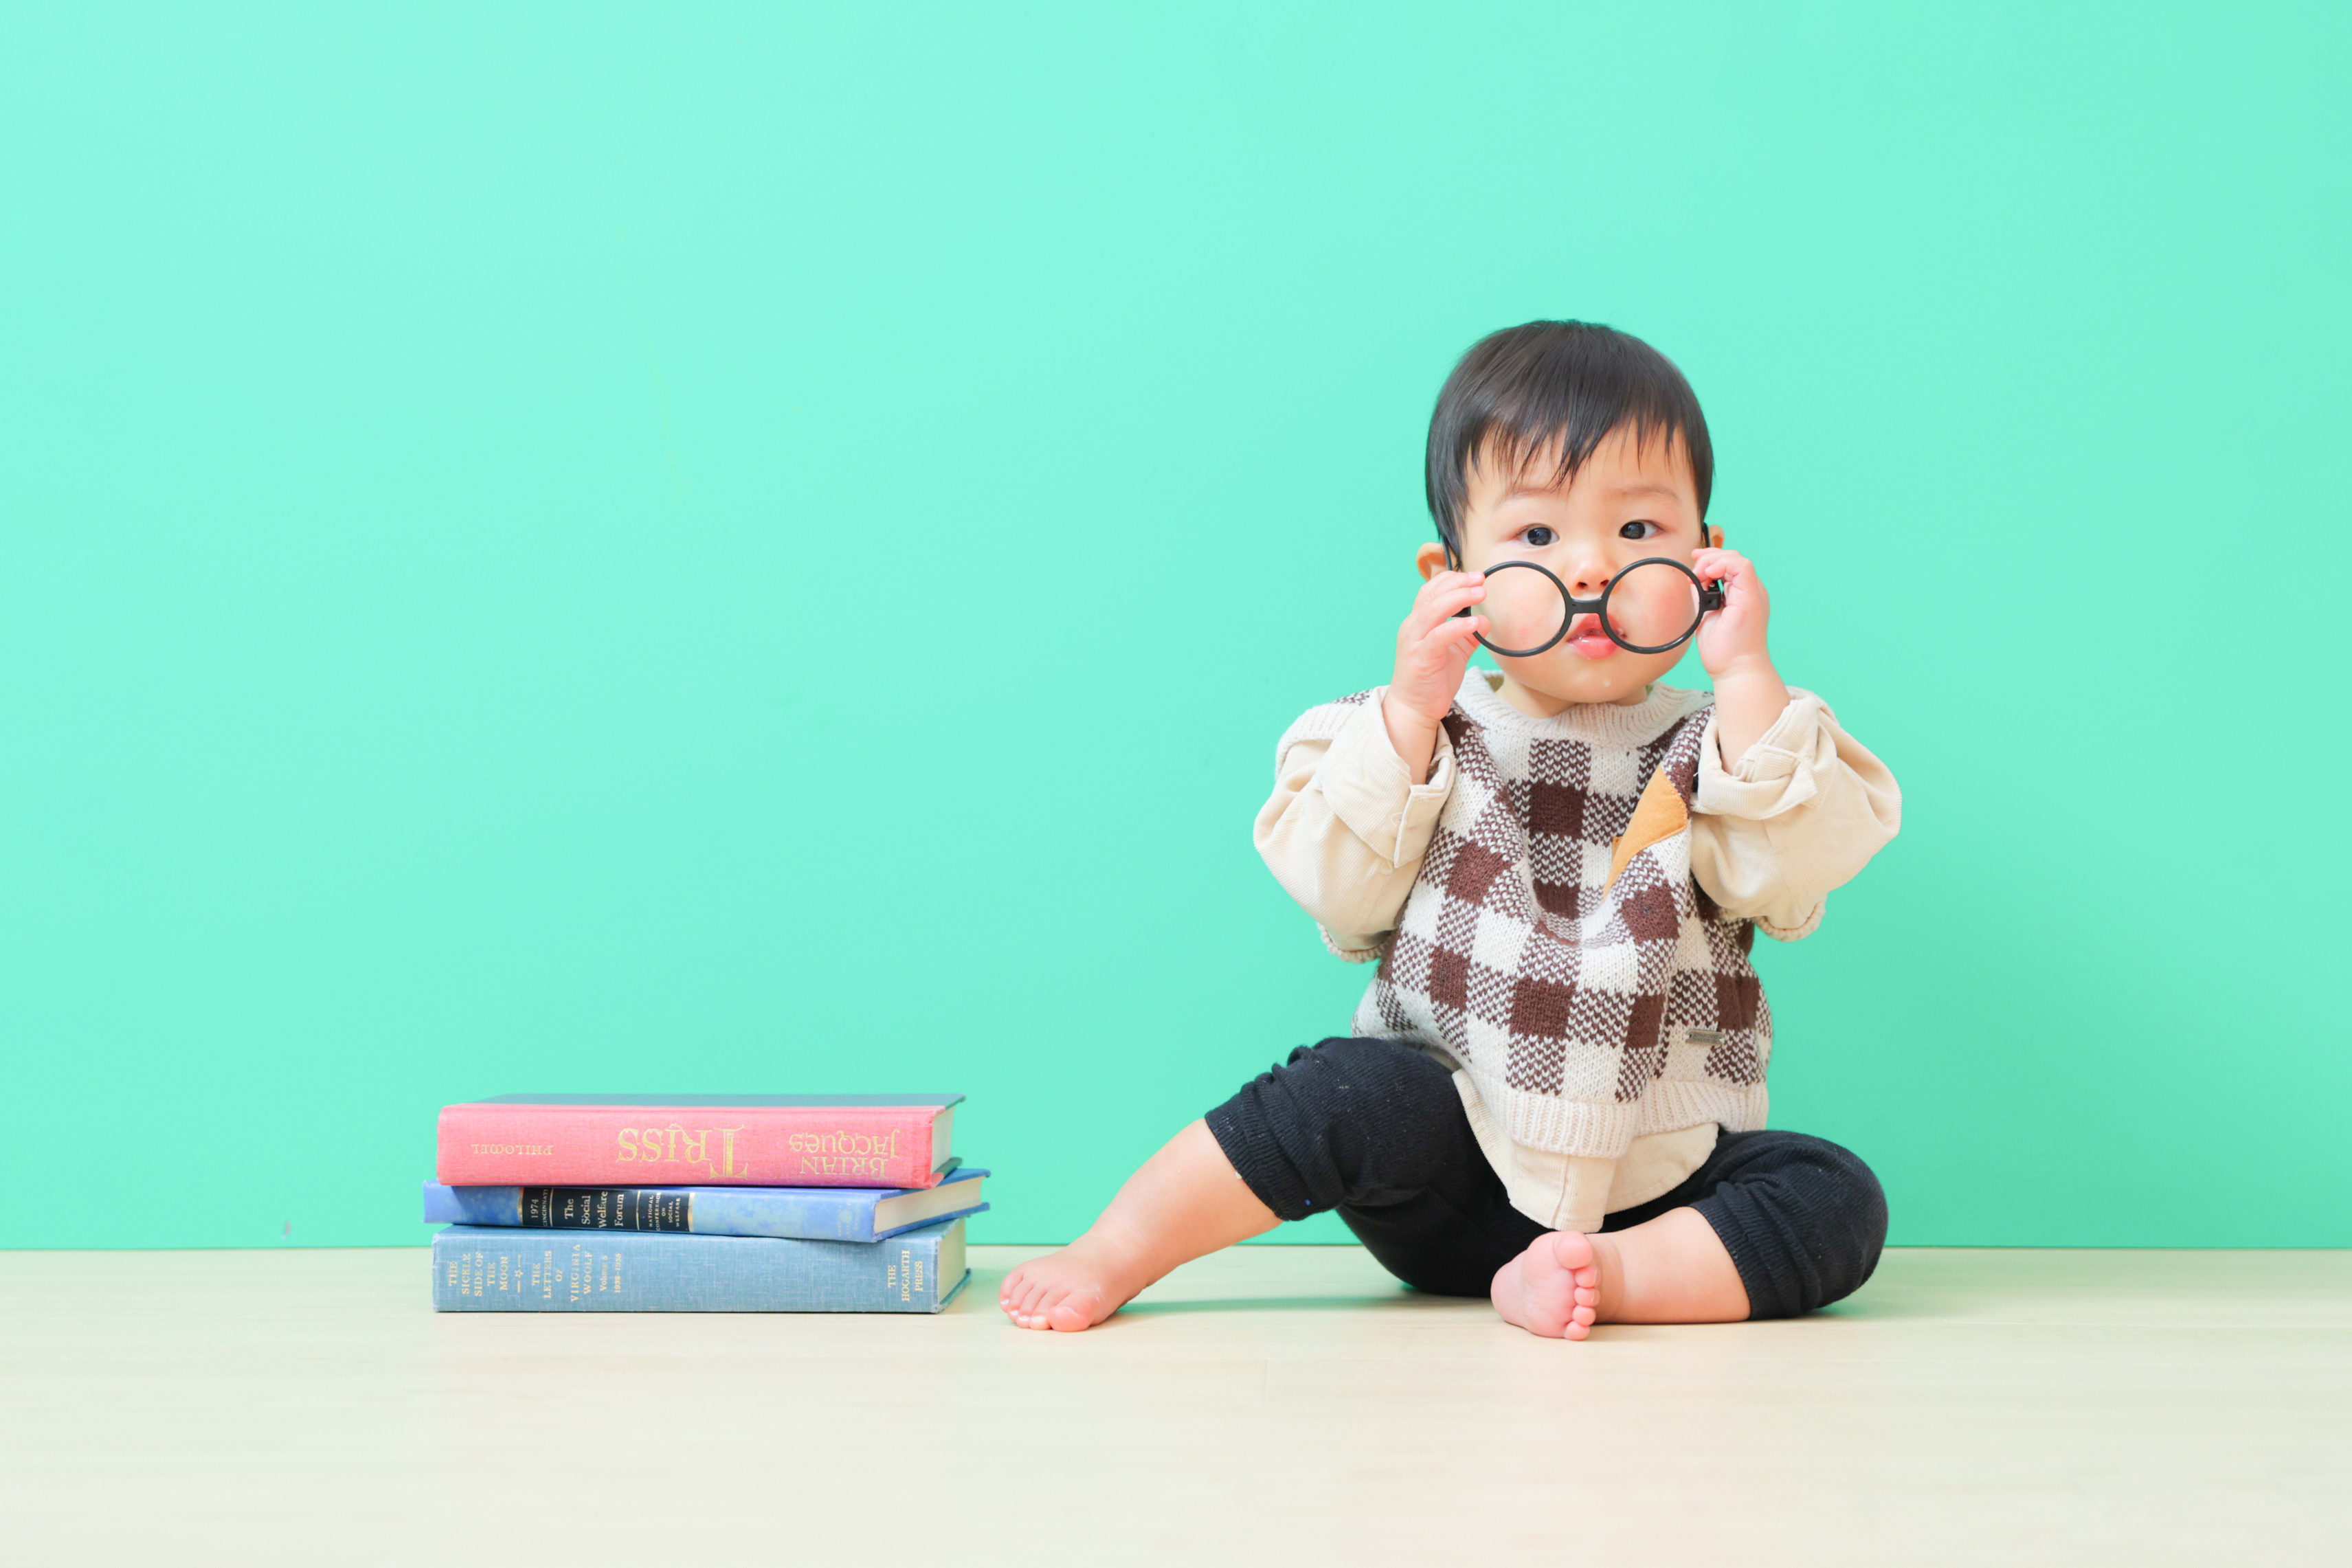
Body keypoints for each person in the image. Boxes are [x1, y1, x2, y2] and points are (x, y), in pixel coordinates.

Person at [1002, 321, 1902, 1338]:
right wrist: (1408, 716)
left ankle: (1603, 1274)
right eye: (1537, 537)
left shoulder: (1732, 740)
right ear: (1451, 572)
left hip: (1658, 1174)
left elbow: (1791, 872)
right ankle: (1115, 1247)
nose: (1593, 568)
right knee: (1347, 1088)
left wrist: (1745, 677)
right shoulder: (1413, 729)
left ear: (1710, 561)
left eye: (1642, 532)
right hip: (1455, 1161)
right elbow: (1342, 896)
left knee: (1835, 1194)